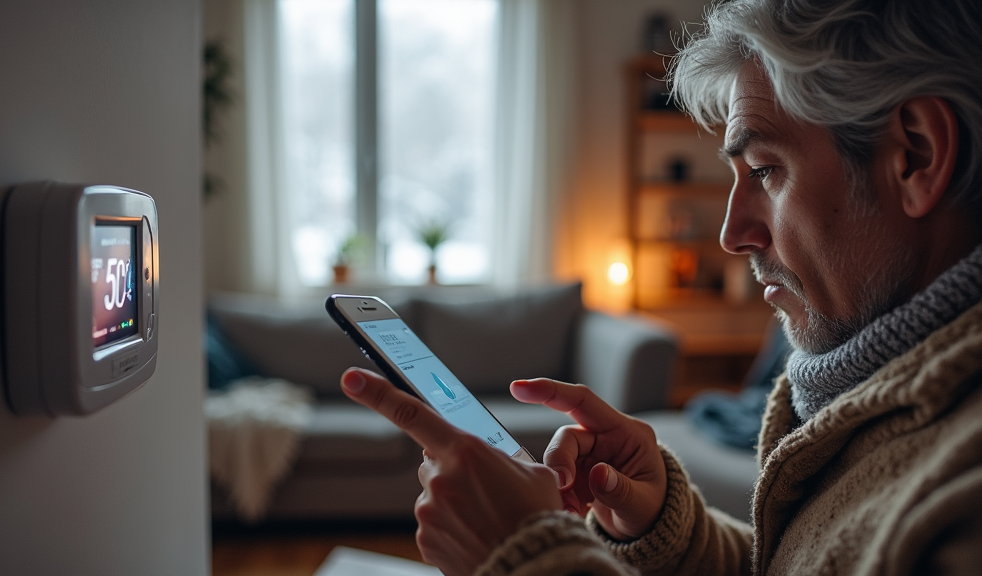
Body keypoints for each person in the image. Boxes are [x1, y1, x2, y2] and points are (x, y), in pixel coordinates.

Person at [339, 0, 982, 573]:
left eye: (765, 170)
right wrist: (663, 530)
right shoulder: (862, 391)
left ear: (916, 156)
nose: (732, 233)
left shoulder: (963, 489)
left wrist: (526, 553)